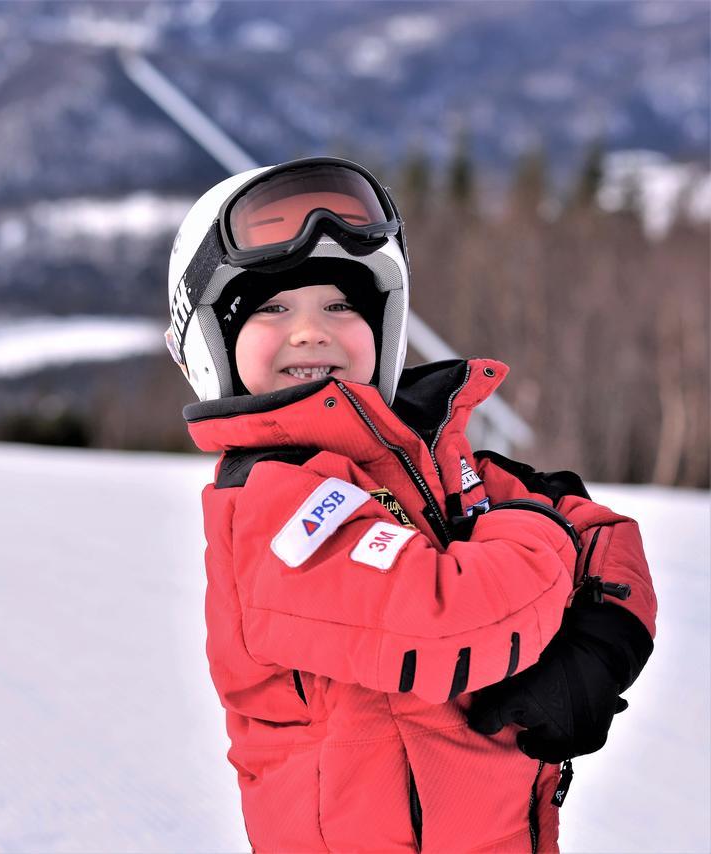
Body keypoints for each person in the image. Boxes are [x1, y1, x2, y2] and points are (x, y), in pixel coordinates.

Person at [164, 157, 657, 852]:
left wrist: (603, 636)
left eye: (340, 305)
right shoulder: (270, 504)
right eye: (273, 308)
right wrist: (538, 530)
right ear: (212, 340)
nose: (312, 331)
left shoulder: (425, 459)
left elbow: (607, 536)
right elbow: (446, 618)